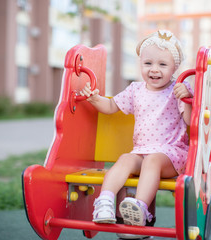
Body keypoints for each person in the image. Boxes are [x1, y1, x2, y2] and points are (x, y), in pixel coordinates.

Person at [80, 30, 193, 228]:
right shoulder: (135, 89)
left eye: (162, 64)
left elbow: (190, 120)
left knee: (152, 160)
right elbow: (111, 106)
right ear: (141, 63)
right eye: (148, 63)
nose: (154, 69)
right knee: (125, 159)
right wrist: (94, 99)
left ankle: (140, 208)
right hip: (142, 152)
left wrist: (187, 98)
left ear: (175, 67)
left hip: (170, 155)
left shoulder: (178, 89)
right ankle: (104, 202)